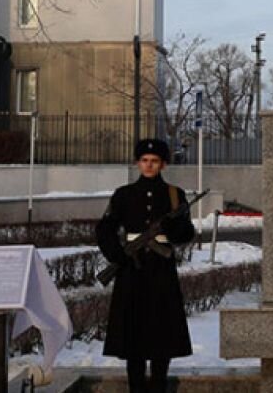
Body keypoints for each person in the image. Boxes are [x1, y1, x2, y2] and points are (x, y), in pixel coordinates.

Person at [96, 138, 195, 393]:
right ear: (137, 163)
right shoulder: (123, 194)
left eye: (154, 161)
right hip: (132, 271)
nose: (149, 165)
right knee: (133, 335)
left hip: (162, 271)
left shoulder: (175, 195)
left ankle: (159, 385)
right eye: (144, 161)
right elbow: (105, 228)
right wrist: (117, 255)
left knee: (163, 332)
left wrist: (176, 229)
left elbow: (186, 234)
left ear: (162, 164)